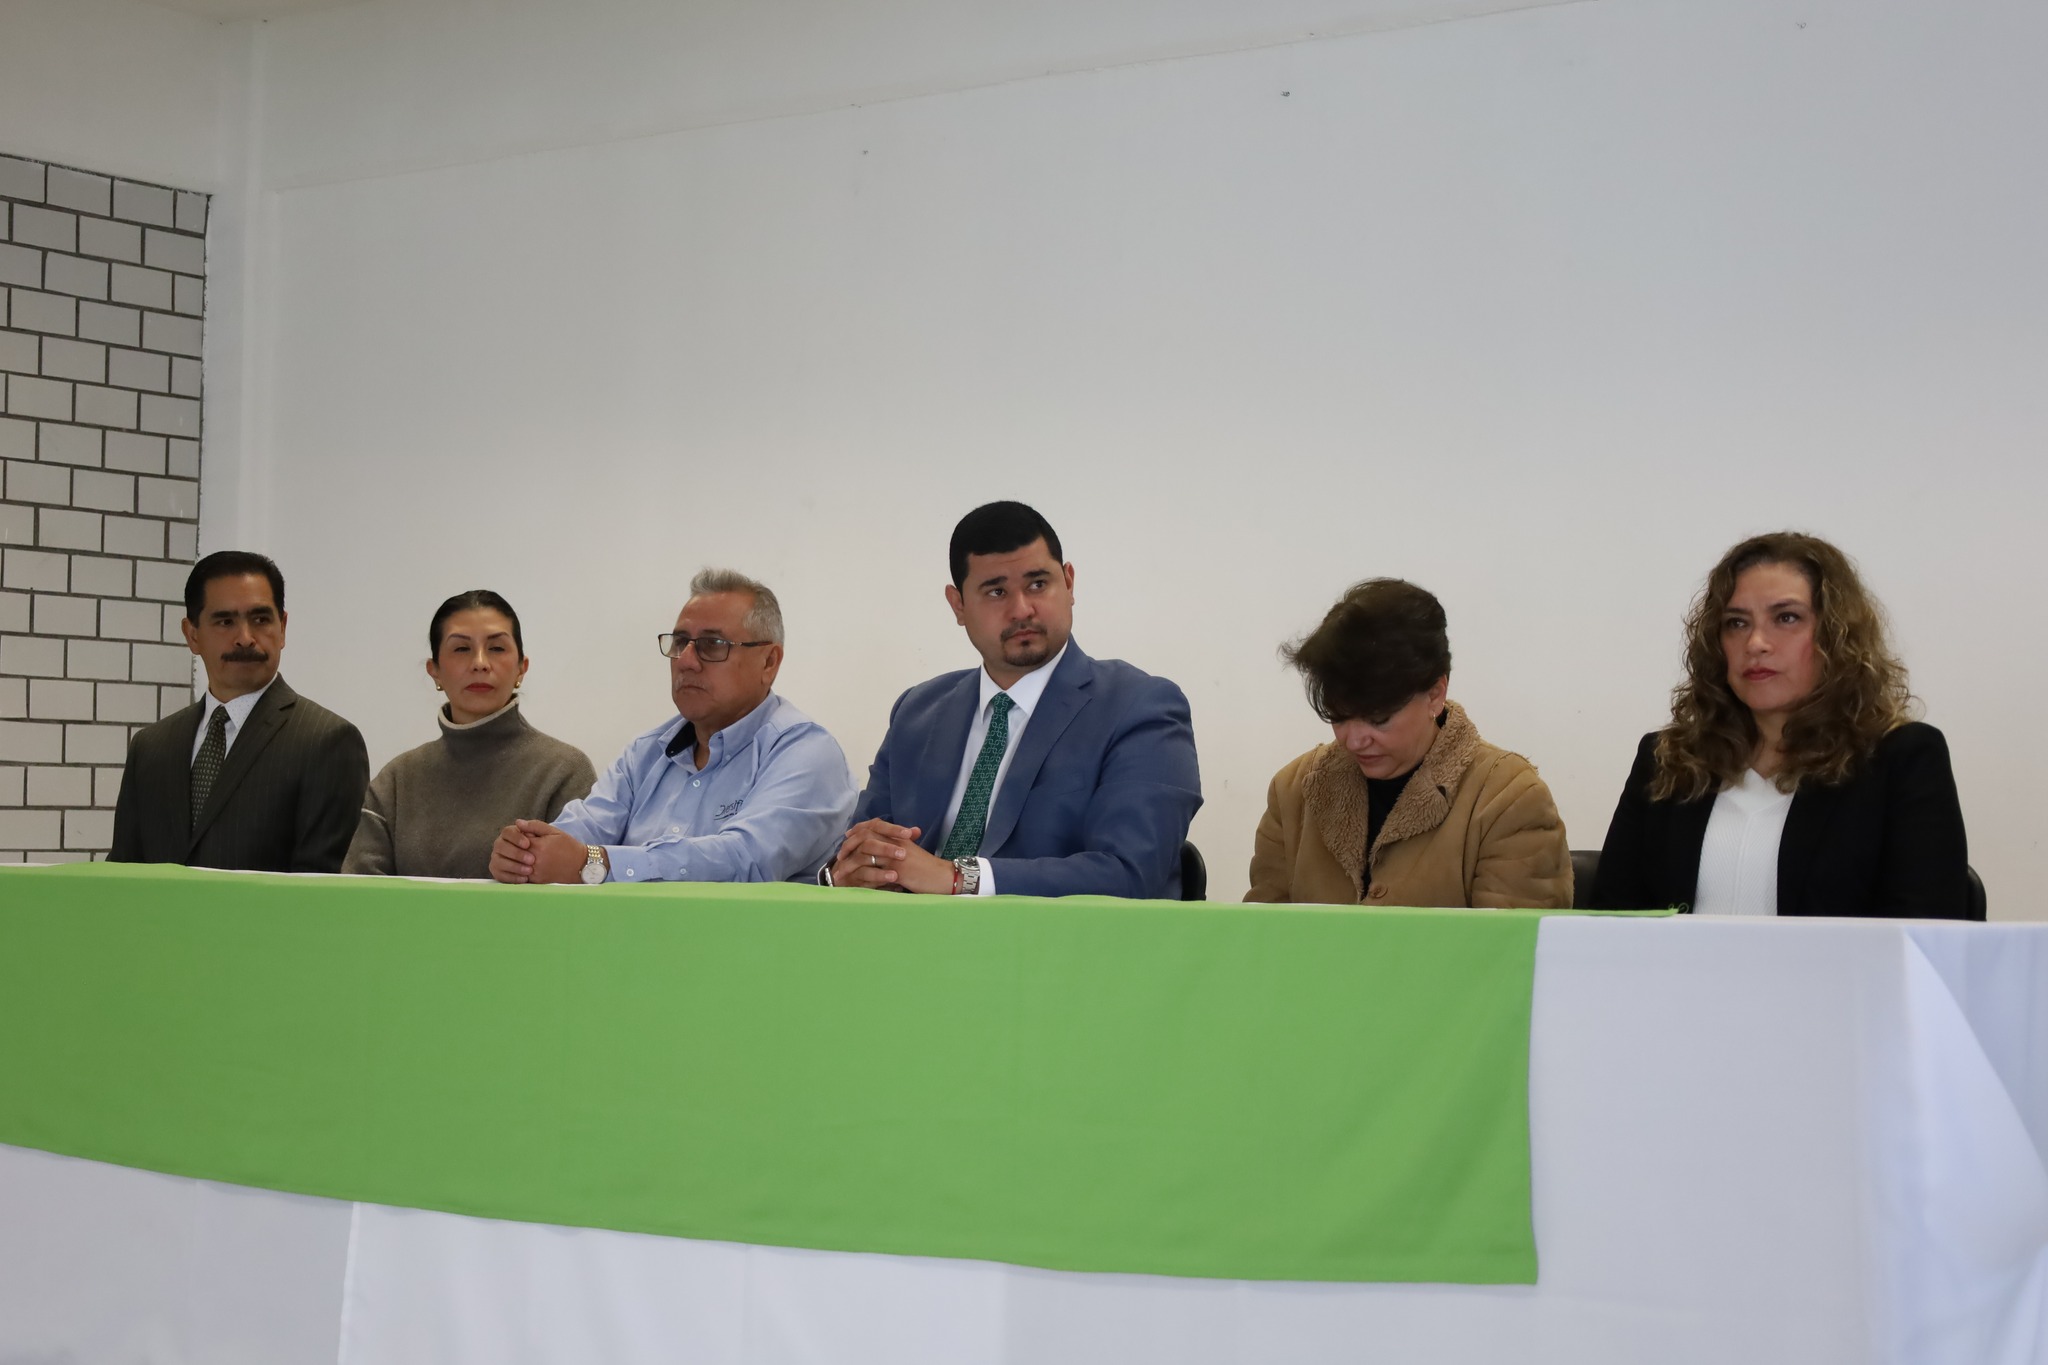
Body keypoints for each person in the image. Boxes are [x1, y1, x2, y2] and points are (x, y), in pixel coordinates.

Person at [826, 501, 1201, 899]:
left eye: (1038, 584)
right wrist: (850, 871)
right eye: (996, 591)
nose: (1022, 610)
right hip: (910, 934)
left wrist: (957, 877)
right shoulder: (918, 712)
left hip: (1059, 938)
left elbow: (1130, 873)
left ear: (1069, 583)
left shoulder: (1141, 707)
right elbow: (862, 850)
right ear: (958, 605)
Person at [1590, 532, 1970, 917]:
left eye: (1786, 618)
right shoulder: (1668, 759)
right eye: (1736, 623)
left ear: (1836, 636)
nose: (1756, 643)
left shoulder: (1902, 759)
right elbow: (1611, 918)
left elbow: (1927, 928)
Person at [490, 569, 854, 885]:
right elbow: (585, 828)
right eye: (680, 642)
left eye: (712, 645)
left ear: (769, 662)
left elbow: (747, 859)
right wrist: (527, 852)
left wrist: (595, 863)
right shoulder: (647, 752)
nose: (686, 661)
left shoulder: (805, 751)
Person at [1247, 578, 1571, 908]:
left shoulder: (1509, 799)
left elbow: (1512, 940)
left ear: (1435, 694)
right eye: (1339, 717)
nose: (1354, 740)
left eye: (1378, 719)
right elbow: (1259, 932)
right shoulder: (1293, 792)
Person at [109, 551, 370, 872]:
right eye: (225, 622)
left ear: (282, 627)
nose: (245, 639)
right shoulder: (151, 747)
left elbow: (322, 886)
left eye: (261, 620)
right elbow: (123, 874)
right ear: (192, 635)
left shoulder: (327, 741)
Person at [343, 591, 596, 878]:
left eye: (497, 648)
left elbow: (581, 888)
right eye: (462, 649)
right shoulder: (397, 780)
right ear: (435, 671)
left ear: (521, 668)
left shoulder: (564, 771)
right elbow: (358, 891)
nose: (480, 663)